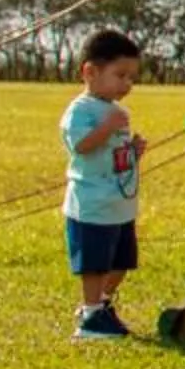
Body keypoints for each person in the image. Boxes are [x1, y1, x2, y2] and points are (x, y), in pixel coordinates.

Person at [62, 28, 148, 340]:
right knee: (95, 264)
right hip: (92, 204)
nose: (127, 84)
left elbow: (114, 156)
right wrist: (107, 127)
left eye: (132, 78)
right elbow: (81, 146)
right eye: (120, 75)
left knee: (122, 262)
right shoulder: (82, 110)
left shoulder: (116, 110)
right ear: (90, 72)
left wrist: (133, 153)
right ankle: (90, 318)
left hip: (119, 204)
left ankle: (101, 305)